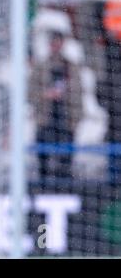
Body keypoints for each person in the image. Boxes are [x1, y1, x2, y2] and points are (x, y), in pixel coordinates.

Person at [29, 30, 83, 180]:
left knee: (65, 163)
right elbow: (30, 93)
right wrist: (45, 95)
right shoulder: (41, 67)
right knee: (43, 162)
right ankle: (44, 188)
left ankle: (64, 190)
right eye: (53, 42)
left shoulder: (71, 67)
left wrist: (76, 118)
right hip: (45, 121)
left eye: (58, 42)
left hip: (66, 121)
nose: (56, 46)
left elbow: (79, 94)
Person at [96, 0, 121, 183]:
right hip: (113, 49)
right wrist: (103, 35)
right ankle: (113, 171)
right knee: (114, 109)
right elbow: (96, 11)